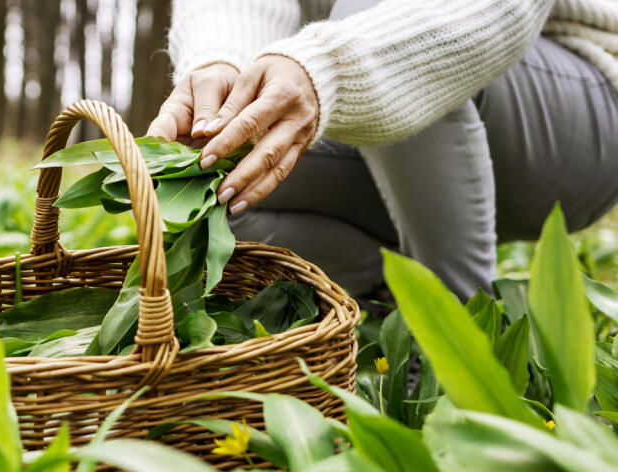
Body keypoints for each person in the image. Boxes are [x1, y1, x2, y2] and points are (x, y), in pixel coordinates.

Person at [148, 0, 618, 301]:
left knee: (373, 9)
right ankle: (398, 295)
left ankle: (459, 333)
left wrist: (327, 67)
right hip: (386, 133)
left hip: (574, 110)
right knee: (220, 187)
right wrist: (223, 66)